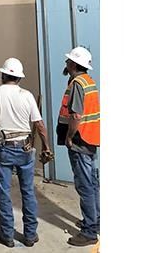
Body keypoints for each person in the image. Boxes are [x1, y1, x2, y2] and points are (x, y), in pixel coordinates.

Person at [0, 57, 52, 248]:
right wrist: (46, 146)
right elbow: (39, 124)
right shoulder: (27, 95)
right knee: (28, 192)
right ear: (19, 78)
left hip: (3, 149)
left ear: (3, 75)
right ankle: (30, 235)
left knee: (4, 193)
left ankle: (7, 235)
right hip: (25, 148)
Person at [57, 46, 100, 247]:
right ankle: (96, 222)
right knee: (92, 183)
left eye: (68, 61)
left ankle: (90, 231)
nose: (66, 63)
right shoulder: (89, 81)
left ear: (74, 64)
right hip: (91, 140)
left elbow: (76, 115)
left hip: (80, 141)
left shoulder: (77, 84)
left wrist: (69, 138)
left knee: (85, 187)